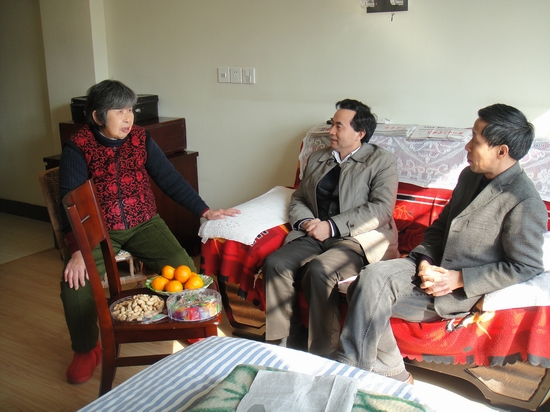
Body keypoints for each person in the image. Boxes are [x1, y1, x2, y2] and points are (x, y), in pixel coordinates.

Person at [336, 103, 547, 384]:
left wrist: (458, 279)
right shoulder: (470, 176)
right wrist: (425, 261)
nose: (467, 146)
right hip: (428, 268)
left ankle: (351, 376)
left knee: (365, 292)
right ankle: (390, 374)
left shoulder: (524, 201)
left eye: (475, 140)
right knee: (369, 278)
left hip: (455, 290)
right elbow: (440, 228)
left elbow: (526, 266)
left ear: (501, 151)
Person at [58, 79, 239, 385]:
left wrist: (204, 210)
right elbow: (69, 201)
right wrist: (77, 250)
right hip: (99, 229)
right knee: (75, 285)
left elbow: (169, 178)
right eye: (119, 111)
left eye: (130, 110)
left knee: (183, 266)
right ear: (98, 116)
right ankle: (86, 349)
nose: (128, 118)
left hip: (144, 222)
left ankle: (188, 324)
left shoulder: (141, 138)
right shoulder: (78, 146)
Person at [263, 99, 400, 358]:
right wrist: (306, 222)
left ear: (360, 133)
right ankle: (283, 345)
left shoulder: (381, 161)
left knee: (320, 270)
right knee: (276, 263)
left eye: (339, 126)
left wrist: (332, 226)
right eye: (331, 124)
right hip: (314, 233)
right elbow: (299, 198)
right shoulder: (318, 158)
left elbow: (381, 209)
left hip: (358, 239)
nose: (331, 131)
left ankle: (323, 354)